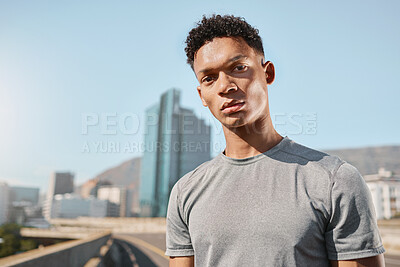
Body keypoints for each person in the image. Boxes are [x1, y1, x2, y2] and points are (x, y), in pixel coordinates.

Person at [165, 14, 385, 267]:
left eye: (238, 68)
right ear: (202, 95)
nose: (225, 86)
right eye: (209, 78)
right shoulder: (185, 192)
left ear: (267, 73)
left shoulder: (335, 180)